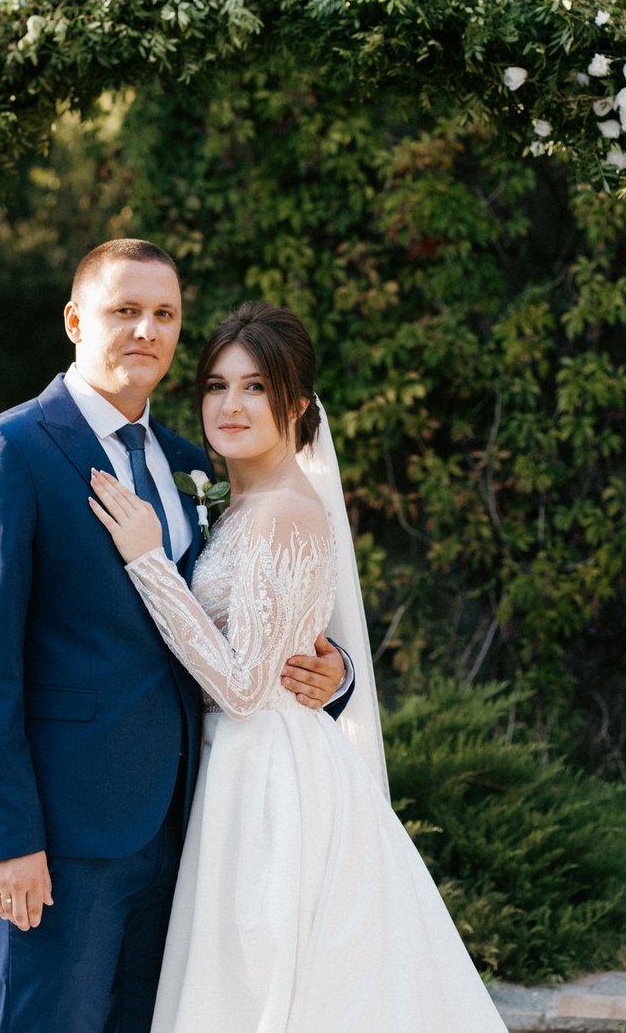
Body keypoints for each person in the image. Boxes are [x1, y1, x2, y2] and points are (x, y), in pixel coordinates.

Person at [0, 240, 353, 1032]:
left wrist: (332, 676)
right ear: (75, 320)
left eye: (164, 314)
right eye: (124, 310)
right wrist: (5, 838)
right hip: (64, 843)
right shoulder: (6, 454)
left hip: (196, 827)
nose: (146, 330)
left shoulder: (196, 465)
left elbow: (254, 612)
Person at [88, 301, 507, 1031]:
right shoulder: (230, 499)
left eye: (255, 387)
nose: (231, 403)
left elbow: (247, 687)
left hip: (269, 785)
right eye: (217, 385)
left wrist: (148, 561)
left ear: (298, 405)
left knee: (266, 984)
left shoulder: (285, 509)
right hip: (235, 770)